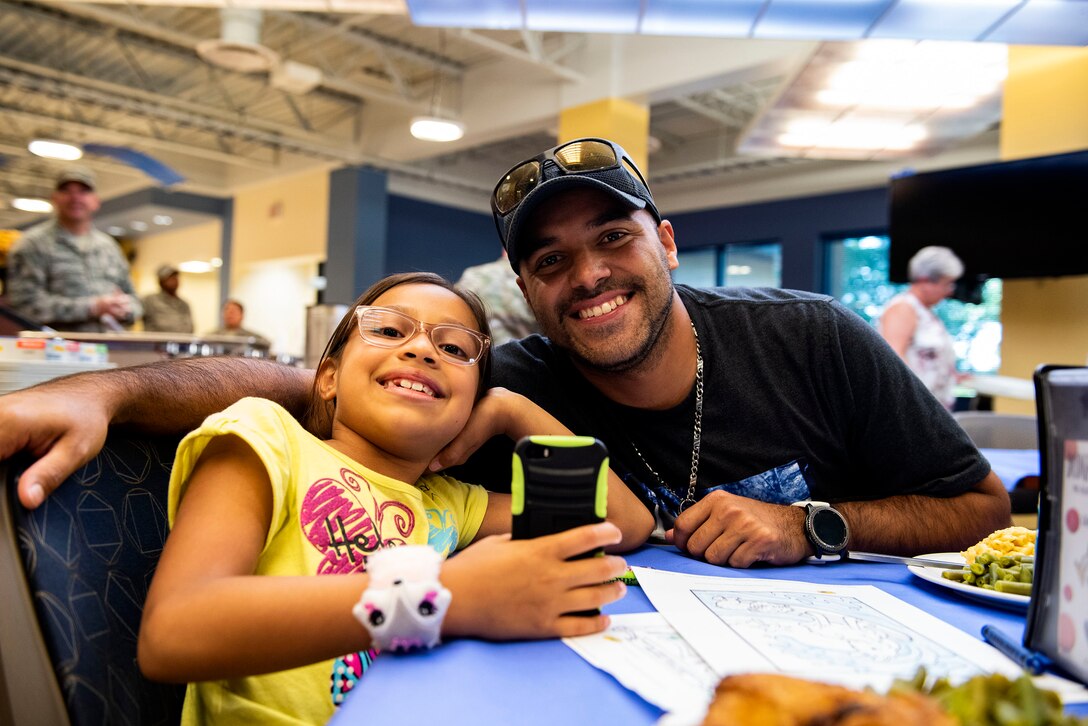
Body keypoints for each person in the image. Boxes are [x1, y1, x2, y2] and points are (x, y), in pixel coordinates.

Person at [0, 138, 1009, 569]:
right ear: (523, 289)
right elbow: (302, 386)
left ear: (662, 243)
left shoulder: (811, 336)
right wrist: (114, 392)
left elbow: (974, 506)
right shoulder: (520, 374)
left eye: (612, 239)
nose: (587, 276)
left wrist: (809, 524)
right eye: (549, 258)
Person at [137, 272, 646, 723]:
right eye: (388, 330)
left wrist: (512, 410)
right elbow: (173, 631)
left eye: (454, 349)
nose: (422, 349)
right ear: (330, 377)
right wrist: (446, 596)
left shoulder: (450, 503)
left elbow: (624, 524)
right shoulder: (269, 438)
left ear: (470, 406)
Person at [8, 165, 142, 332]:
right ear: (54, 198)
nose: (75, 198)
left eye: (83, 191)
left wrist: (125, 309)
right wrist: (91, 308)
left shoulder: (109, 247)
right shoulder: (32, 244)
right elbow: (25, 306)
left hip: (109, 350)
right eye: (66, 191)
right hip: (55, 352)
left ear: (96, 201)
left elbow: (135, 301)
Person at [878, 246, 964, 410]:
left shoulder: (926, 314)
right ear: (925, 281)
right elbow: (894, 362)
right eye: (947, 284)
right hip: (913, 410)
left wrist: (951, 376)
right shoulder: (903, 309)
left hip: (935, 409)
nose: (949, 292)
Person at [456, 250, 541, 345]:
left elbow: (456, 321)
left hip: (483, 356)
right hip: (526, 356)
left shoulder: (473, 275)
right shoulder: (530, 279)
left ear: (504, 251)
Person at [141, 264, 194, 333]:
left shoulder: (184, 304)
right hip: (156, 342)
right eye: (170, 277)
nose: (174, 280)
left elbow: (190, 327)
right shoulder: (150, 300)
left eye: (175, 277)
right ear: (161, 281)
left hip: (182, 342)